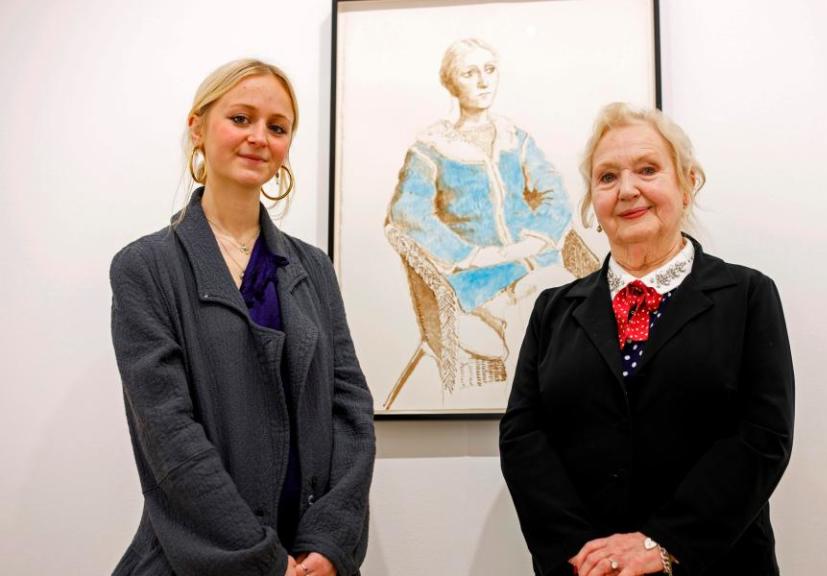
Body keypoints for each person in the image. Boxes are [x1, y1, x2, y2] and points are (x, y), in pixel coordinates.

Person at [499, 103, 794, 576]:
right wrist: (580, 552)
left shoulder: (748, 296)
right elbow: (522, 437)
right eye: (608, 177)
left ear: (687, 182)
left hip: (715, 564)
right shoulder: (553, 310)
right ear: (592, 202)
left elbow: (764, 435)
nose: (628, 189)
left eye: (648, 170)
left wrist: (663, 543)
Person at [109, 59, 375, 576]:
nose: (259, 137)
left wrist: (329, 542)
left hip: (312, 558)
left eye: (277, 127)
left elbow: (351, 409)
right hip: (198, 560)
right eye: (241, 118)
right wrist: (263, 561)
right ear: (198, 127)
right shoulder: (144, 268)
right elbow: (168, 435)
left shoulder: (313, 268)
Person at [387, 38, 578, 372]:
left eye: (489, 70)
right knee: (543, 321)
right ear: (451, 83)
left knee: (554, 299)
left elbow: (555, 194)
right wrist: (471, 255)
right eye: (470, 73)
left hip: (535, 258)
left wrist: (535, 240)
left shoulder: (515, 139)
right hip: (478, 275)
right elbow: (407, 213)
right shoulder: (431, 148)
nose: (483, 81)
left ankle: (510, 337)